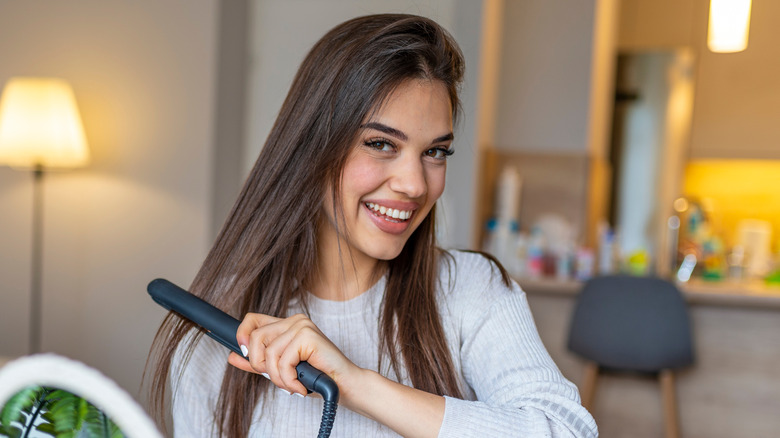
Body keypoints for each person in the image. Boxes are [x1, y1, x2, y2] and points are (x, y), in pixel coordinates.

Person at [147, 13, 598, 438]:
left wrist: (355, 384)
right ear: (312, 148)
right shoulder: (221, 334)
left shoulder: (471, 292)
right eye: (381, 143)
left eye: (435, 151)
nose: (414, 184)